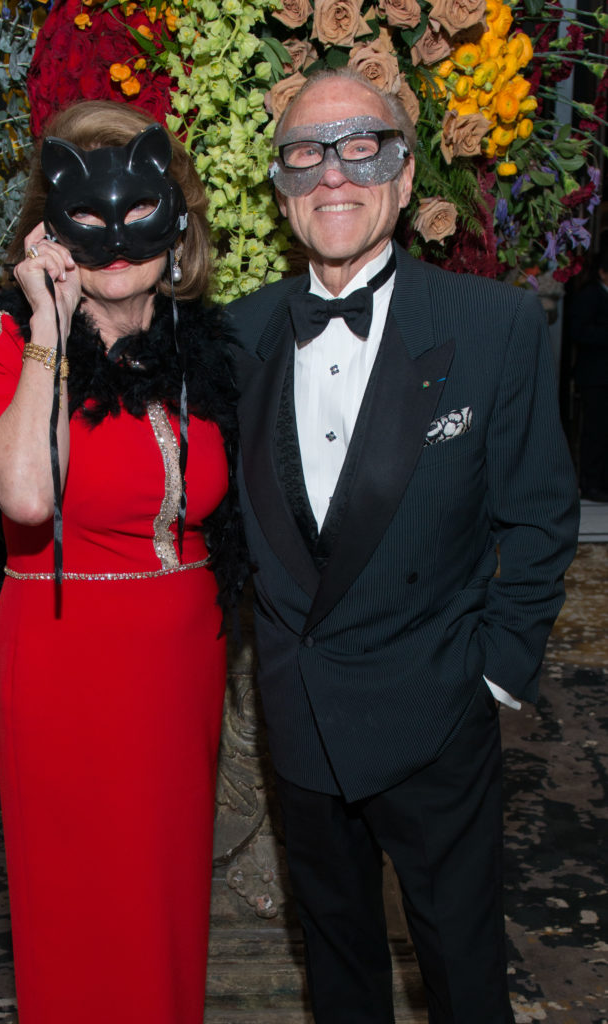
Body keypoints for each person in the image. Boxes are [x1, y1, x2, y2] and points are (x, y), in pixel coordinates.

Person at [227, 69, 579, 1023]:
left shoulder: (492, 325)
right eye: (306, 153)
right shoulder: (237, 335)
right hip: (300, 721)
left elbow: (541, 515)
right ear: (280, 182)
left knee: (462, 972)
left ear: (404, 168)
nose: (333, 175)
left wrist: (494, 676)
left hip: (436, 715)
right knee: (338, 971)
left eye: (360, 147)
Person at [0, 99, 245, 1024]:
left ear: (178, 220)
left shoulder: (210, 356)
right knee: (81, 905)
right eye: (87, 221)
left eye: (140, 218)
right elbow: (29, 499)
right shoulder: (7, 346)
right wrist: (52, 318)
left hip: (181, 666)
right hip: (64, 660)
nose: (118, 243)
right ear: (51, 230)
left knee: (162, 904)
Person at [570, 241, 608, 502]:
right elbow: (578, 332)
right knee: (595, 432)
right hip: (595, 376)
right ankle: (590, 482)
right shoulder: (590, 294)